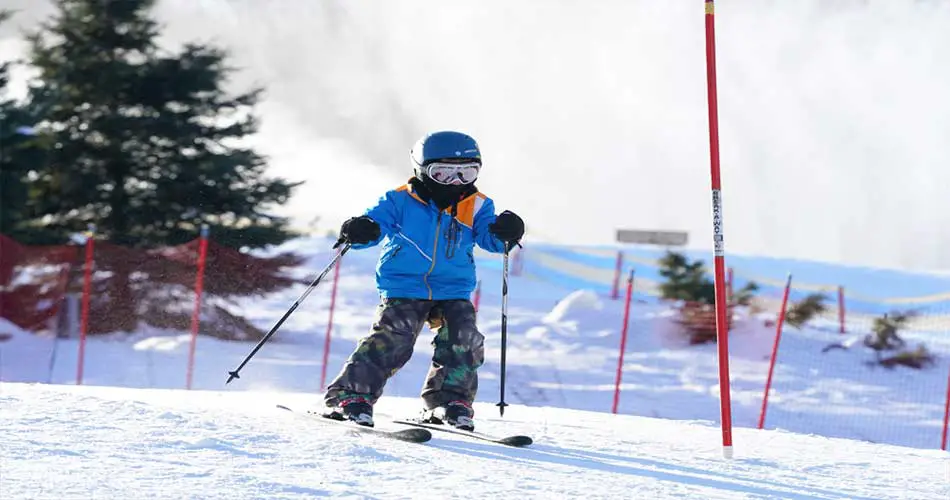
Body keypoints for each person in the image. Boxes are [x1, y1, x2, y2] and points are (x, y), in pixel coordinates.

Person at [322, 130, 524, 431]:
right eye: (443, 173)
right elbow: (376, 224)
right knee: (394, 336)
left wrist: (506, 233)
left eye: (467, 172)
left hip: (453, 287)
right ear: (422, 169)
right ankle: (351, 395)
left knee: (464, 338)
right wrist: (361, 229)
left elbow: (490, 239)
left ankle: (450, 401)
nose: (457, 182)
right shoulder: (400, 200)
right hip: (405, 283)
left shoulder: (479, 205)